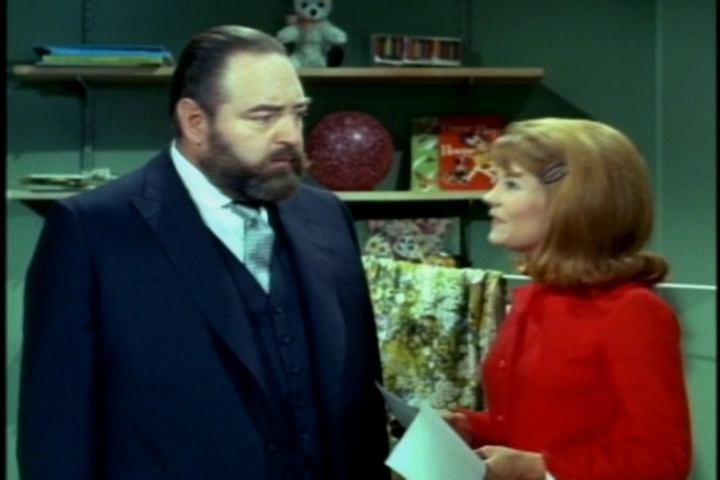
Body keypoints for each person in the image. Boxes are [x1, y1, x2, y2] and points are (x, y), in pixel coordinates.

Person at [17, 25, 390, 480]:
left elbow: (362, 407)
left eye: (298, 114)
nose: (290, 136)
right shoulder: (93, 231)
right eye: (263, 117)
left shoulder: (327, 217)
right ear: (195, 121)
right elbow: (55, 436)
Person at [443, 118, 692, 480]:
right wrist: (466, 428)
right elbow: (531, 427)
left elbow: (664, 458)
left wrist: (541, 469)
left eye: (511, 184)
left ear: (573, 201)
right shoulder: (534, 298)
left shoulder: (632, 311)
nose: (489, 197)